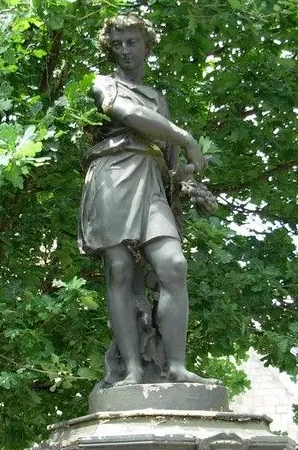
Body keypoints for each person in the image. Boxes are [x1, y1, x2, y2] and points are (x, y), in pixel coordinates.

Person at [79, 13, 217, 386]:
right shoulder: (104, 84)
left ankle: (176, 365)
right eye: (117, 43)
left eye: (132, 42)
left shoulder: (159, 99)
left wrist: (188, 183)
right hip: (112, 176)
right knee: (120, 269)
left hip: (151, 184)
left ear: (146, 45)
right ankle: (133, 371)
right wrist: (185, 137)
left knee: (173, 265)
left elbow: (171, 168)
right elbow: (128, 114)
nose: (124, 50)